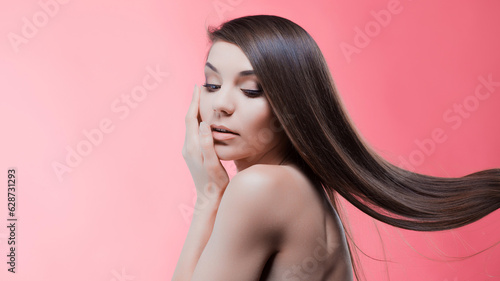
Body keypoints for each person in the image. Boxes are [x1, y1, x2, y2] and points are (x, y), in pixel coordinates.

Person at [172, 15, 500, 281]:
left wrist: (208, 197)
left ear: (293, 104)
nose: (221, 105)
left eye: (251, 90)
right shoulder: (293, 185)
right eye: (212, 85)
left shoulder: (261, 188)